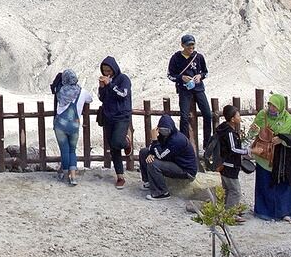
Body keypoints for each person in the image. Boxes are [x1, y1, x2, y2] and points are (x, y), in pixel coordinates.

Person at [249, 93, 291, 221]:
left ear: (281, 107)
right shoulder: (262, 115)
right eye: (270, 105)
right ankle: (264, 212)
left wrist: (283, 139)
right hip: (264, 158)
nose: (271, 109)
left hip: (283, 160)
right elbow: (252, 133)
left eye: (274, 106)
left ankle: (287, 212)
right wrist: (253, 130)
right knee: (265, 185)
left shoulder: (290, 121)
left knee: (285, 187)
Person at [167, 34, 212, 150]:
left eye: (192, 45)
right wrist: (181, 78)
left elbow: (205, 72)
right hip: (184, 90)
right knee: (184, 117)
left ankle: (207, 143)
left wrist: (200, 76)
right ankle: (184, 143)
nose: (191, 47)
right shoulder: (175, 58)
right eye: (188, 45)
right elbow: (170, 75)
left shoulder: (199, 57)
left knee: (207, 114)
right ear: (182, 45)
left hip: (198, 88)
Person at [138, 115, 198, 200]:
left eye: (166, 129)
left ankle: (162, 192)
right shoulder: (164, 136)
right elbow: (154, 149)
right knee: (144, 152)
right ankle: (148, 182)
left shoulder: (177, 140)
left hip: (185, 170)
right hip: (173, 161)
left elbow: (160, 156)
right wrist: (151, 152)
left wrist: (154, 140)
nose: (163, 131)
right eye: (161, 129)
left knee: (153, 163)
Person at [53, 69, 93, 186]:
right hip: (74, 125)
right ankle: (73, 176)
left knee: (64, 150)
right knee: (72, 150)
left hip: (60, 125)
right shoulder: (82, 92)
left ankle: (65, 175)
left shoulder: (60, 91)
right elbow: (90, 99)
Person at [98, 56, 132, 189]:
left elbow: (123, 94)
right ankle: (120, 176)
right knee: (113, 147)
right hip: (108, 116)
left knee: (118, 141)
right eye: (104, 70)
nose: (107, 73)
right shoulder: (106, 80)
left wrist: (110, 84)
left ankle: (127, 142)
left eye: (109, 70)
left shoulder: (123, 79)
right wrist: (102, 88)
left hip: (121, 115)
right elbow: (102, 98)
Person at [216, 104, 250, 219]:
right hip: (230, 165)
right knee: (235, 191)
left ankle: (225, 211)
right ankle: (230, 214)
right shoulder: (229, 132)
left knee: (227, 189)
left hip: (225, 164)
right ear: (232, 119)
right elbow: (233, 149)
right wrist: (249, 151)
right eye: (238, 115)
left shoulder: (224, 129)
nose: (240, 117)